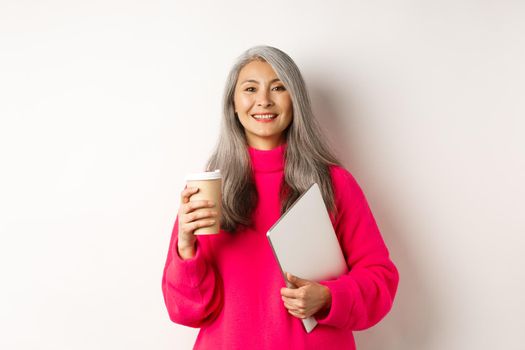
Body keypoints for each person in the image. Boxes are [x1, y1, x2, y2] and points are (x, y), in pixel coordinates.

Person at [162, 45, 399, 349]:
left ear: (295, 100)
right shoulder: (209, 188)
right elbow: (186, 310)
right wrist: (185, 245)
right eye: (250, 88)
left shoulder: (333, 183)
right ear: (233, 104)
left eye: (278, 87)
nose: (263, 100)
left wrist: (329, 296)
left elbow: (381, 280)